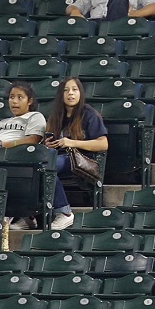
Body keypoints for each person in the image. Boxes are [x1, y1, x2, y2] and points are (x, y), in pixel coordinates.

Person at [0, 81, 46, 229]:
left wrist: (2, 144)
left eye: (20, 97)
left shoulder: (35, 116)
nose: (14, 101)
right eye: (12, 97)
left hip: (14, 156)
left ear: (29, 101)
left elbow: (33, 140)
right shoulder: (3, 122)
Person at [38, 77, 108, 230]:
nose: (70, 93)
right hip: (59, 156)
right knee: (37, 166)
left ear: (80, 93)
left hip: (81, 159)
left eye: (74, 90)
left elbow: (103, 143)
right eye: (66, 90)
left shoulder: (89, 114)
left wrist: (72, 142)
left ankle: (65, 213)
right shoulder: (56, 116)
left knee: (47, 166)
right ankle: (30, 216)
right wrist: (48, 144)